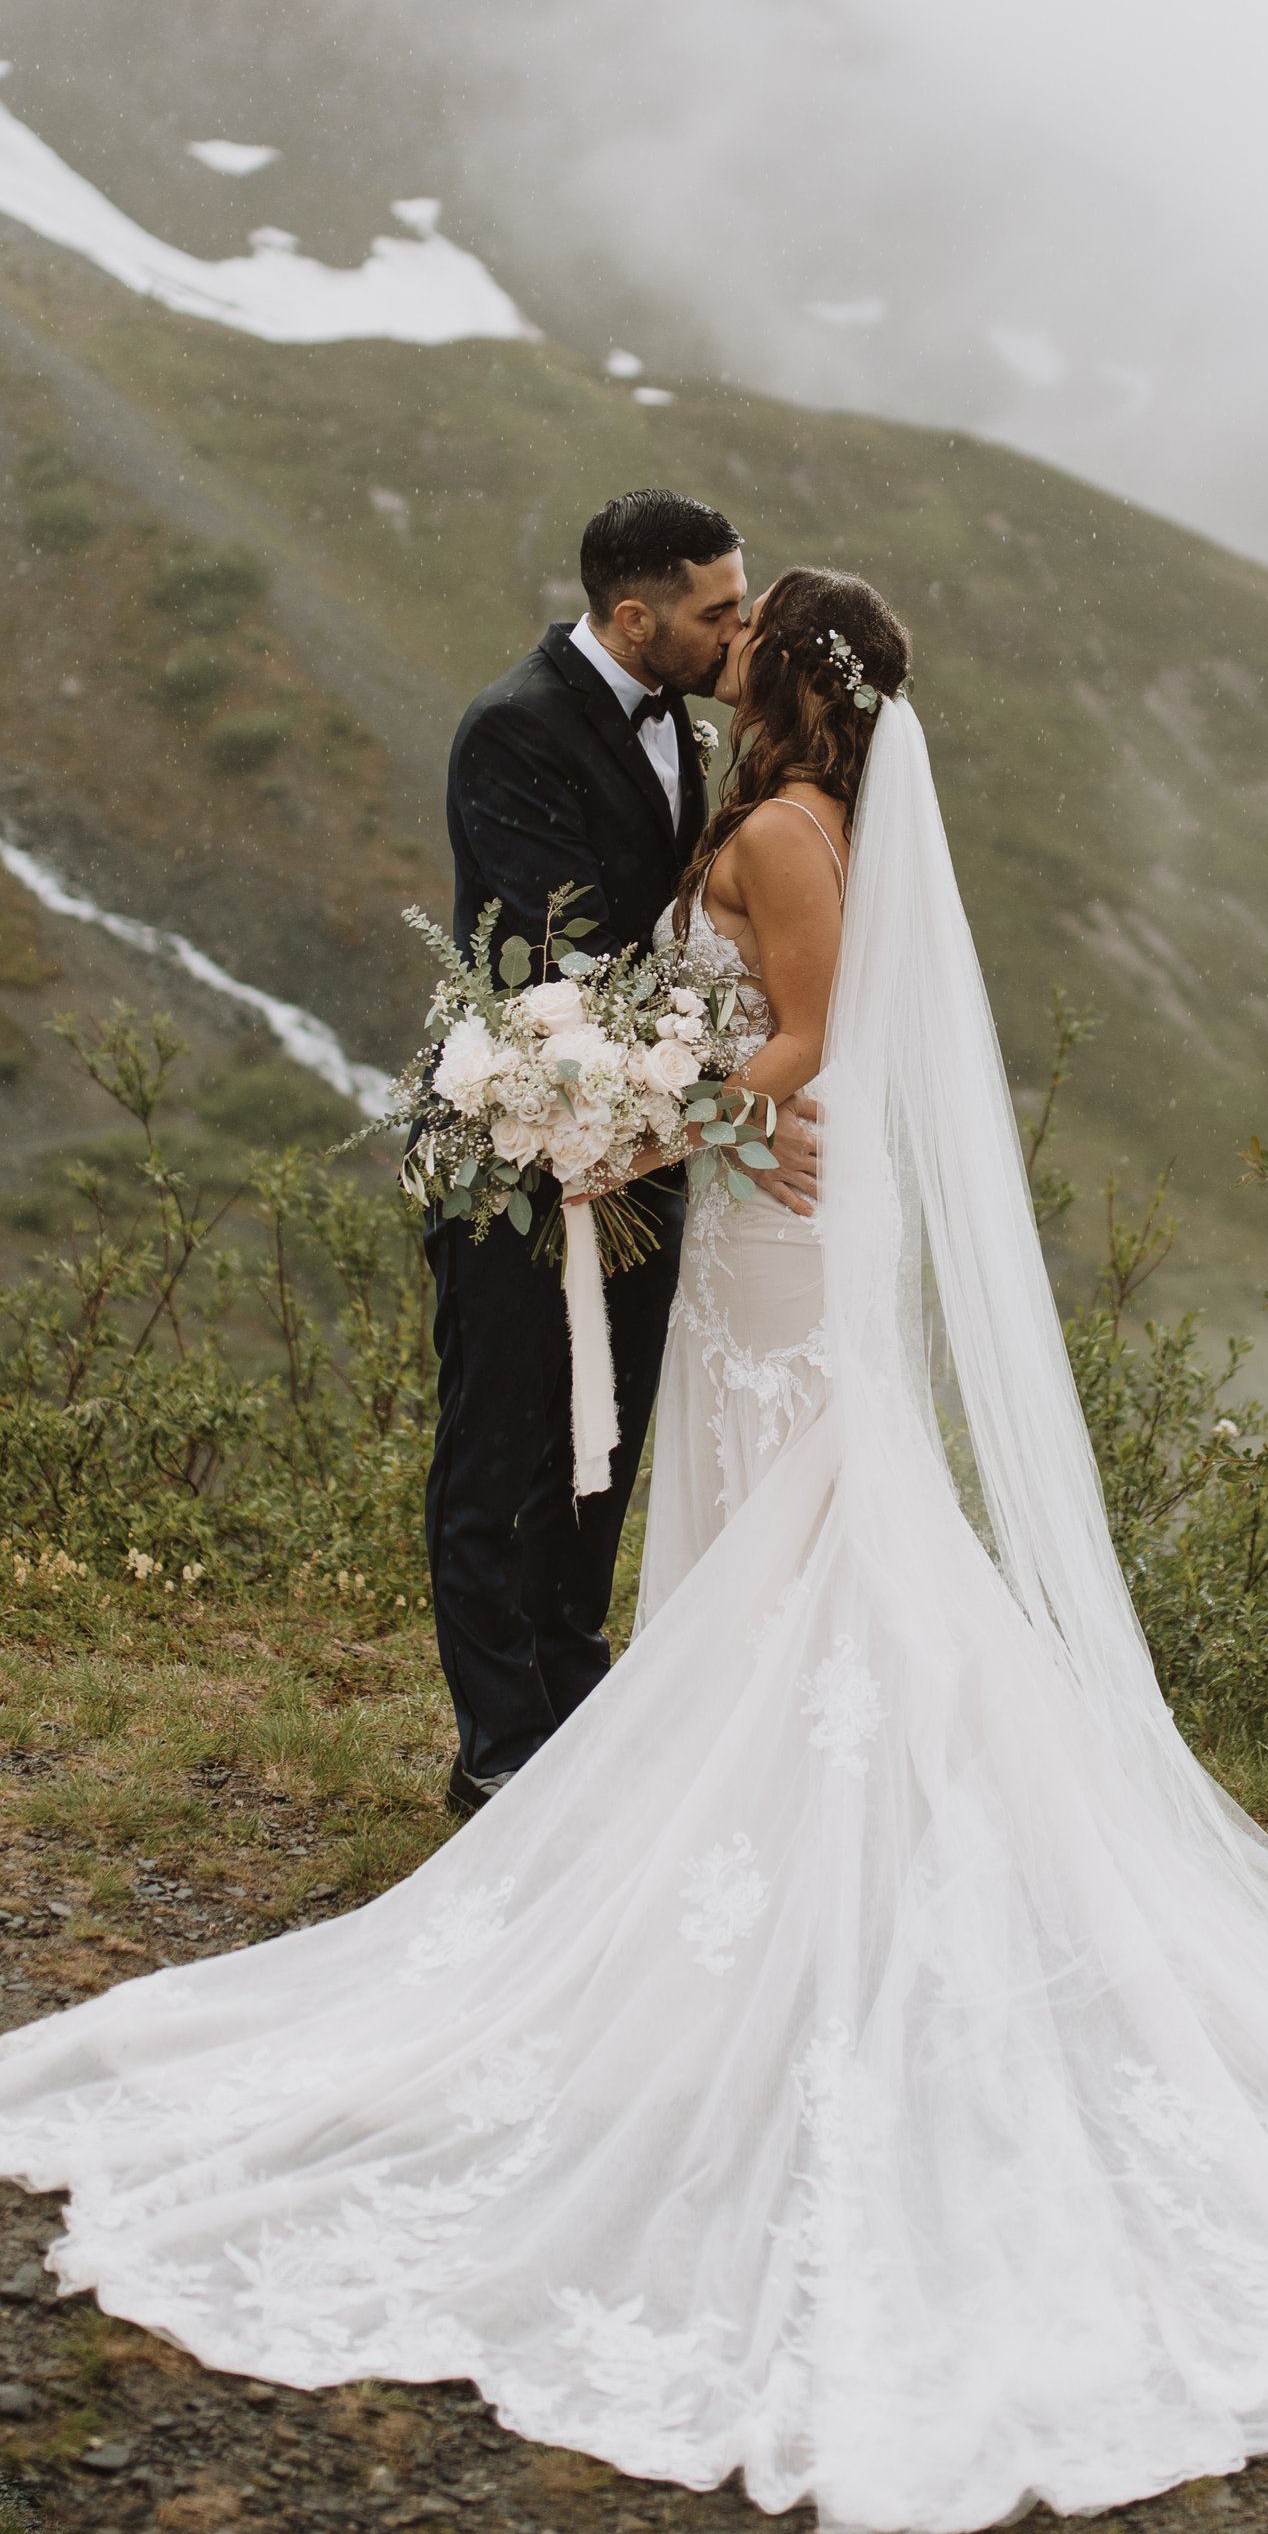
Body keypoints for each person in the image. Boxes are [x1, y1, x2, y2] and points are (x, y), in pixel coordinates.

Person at [0, 562, 1268, 2534]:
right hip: (765, 1233)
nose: (715, 660)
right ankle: (818, 1854)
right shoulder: (805, 820)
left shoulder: (792, 834)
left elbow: (798, 1043)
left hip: (779, 1247)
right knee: (788, 1549)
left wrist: (647, 1113)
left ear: (780, 690)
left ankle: (834, 1874)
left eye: (741, 639)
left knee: (821, 1537)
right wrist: (664, 1115)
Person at [425, 489, 816, 1814]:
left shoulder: (690, 729)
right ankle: (498, 1757)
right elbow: (569, 968)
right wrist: (735, 1106)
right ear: (635, 616)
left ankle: (579, 1716)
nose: (739, 630)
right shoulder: (513, 730)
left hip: (645, 1146)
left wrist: (700, 1115)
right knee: (506, 1443)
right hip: (524, 1139)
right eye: (719, 611)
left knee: (607, 1440)